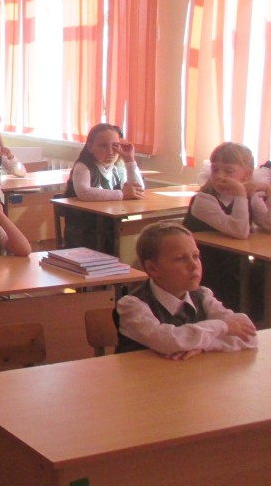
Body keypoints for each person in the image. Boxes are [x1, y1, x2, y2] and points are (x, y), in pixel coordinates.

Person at [114, 221, 257, 358]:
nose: (193, 265)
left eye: (196, 256)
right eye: (180, 258)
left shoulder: (203, 295)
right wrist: (223, 326)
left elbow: (249, 336)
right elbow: (168, 341)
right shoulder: (131, 305)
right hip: (144, 374)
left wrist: (203, 346)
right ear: (153, 268)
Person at [184, 142, 270, 310]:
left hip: (235, 265)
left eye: (229, 171)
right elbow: (240, 231)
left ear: (247, 175)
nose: (220, 176)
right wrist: (240, 193)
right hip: (206, 267)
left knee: (263, 276)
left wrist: (268, 189)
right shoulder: (203, 200)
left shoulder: (249, 197)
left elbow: (268, 225)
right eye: (215, 170)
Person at [61, 123, 145, 252]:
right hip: (85, 231)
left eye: (115, 146)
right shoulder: (83, 167)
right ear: (90, 147)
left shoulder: (118, 168)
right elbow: (84, 192)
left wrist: (129, 160)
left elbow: (138, 190)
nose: (110, 151)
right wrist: (122, 194)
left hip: (110, 224)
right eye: (103, 146)